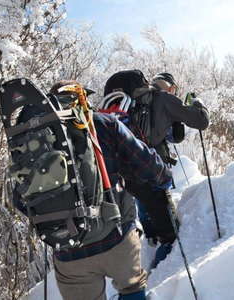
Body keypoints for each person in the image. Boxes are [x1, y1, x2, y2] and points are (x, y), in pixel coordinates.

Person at [15, 80, 173, 300]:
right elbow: (147, 164)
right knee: (132, 289)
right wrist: (164, 179)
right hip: (116, 237)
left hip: (69, 252)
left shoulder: (33, 144)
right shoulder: (104, 123)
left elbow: (21, 200)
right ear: (80, 99)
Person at [125, 72, 209, 268]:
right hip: (153, 169)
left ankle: (151, 238)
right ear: (170, 87)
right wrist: (199, 104)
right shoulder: (164, 99)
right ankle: (161, 268)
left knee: (144, 203)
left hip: (130, 168)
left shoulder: (132, 102)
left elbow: (171, 135)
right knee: (169, 229)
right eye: (173, 90)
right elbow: (201, 121)